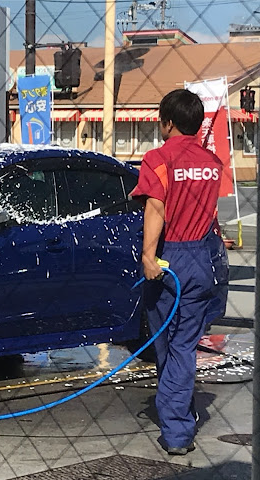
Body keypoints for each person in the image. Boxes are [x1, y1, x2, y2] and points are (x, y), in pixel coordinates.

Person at [130, 89, 229, 455]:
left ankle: (176, 431)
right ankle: (180, 414)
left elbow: (155, 208)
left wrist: (149, 256)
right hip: (201, 257)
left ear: (167, 122)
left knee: (169, 347)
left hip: (170, 259)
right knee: (183, 345)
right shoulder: (211, 162)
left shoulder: (158, 158)